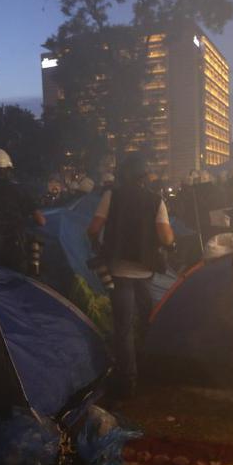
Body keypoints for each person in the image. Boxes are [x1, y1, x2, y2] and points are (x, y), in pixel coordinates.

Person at [87, 153, 175, 400]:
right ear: (144, 176)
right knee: (147, 318)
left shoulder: (111, 196)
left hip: (118, 271)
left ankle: (127, 381)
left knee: (123, 328)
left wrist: (98, 245)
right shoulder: (156, 200)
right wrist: (170, 243)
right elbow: (166, 237)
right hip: (145, 271)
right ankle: (149, 366)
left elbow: (93, 229)